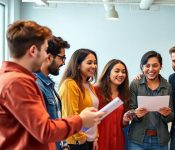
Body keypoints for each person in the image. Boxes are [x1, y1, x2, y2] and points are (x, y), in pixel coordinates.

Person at [0, 20, 104, 150]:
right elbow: (45, 131)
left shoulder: (14, 79)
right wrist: (81, 120)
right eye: (44, 50)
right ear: (33, 51)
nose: (46, 57)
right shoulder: (17, 82)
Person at [128, 50, 173, 150]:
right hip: (138, 140)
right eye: (147, 66)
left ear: (160, 66)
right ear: (142, 67)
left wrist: (167, 115)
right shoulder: (135, 84)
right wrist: (136, 114)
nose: (151, 69)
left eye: (155, 65)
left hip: (160, 141)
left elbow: (171, 116)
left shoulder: (167, 86)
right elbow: (130, 111)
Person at [59, 48, 99, 150]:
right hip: (77, 142)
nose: (94, 66)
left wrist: (95, 138)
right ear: (78, 65)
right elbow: (70, 115)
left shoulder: (89, 85)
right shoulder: (70, 84)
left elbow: (93, 114)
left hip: (89, 140)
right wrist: (81, 138)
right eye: (89, 63)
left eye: (95, 63)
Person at [35, 35, 70, 150]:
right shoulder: (36, 85)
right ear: (49, 57)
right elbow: (41, 128)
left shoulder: (49, 84)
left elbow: (56, 119)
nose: (64, 63)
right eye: (62, 58)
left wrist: (63, 144)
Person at [94, 59, 131, 150]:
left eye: (123, 72)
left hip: (118, 141)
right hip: (99, 140)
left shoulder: (124, 95)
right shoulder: (95, 91)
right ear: (108, 73)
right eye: (117, 71)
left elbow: (121, 124)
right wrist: (94, 139)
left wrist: (125, 121)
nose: (121, 74)